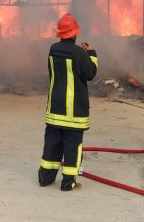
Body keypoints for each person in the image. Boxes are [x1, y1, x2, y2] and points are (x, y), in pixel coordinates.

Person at [38, 13, 99, 191]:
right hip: (74, 112)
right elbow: (90, 73)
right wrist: (92, 54)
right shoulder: (79, 53)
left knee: (52, 143)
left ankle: (45, 178)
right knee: (72, 146)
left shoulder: (52, 49)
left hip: (55, 109)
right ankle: (68, 182)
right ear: (74, 34)